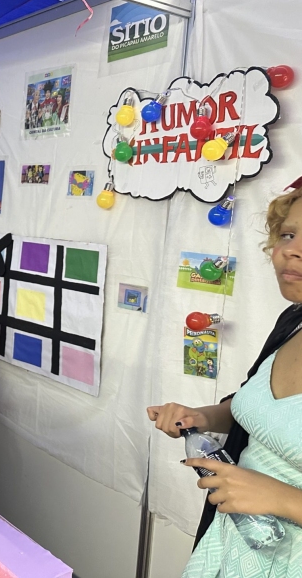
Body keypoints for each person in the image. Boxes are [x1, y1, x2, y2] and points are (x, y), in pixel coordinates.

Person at [147, 184, 302, 576]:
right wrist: (202, 417)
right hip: (232, 543)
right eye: (288, 233)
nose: (291, 249)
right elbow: (254, 407)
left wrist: (284, 499)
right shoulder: (293, 322)